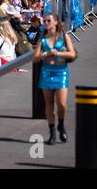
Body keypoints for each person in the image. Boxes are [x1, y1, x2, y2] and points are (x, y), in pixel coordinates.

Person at [33, 14, 76, 145]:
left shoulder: (64, 37)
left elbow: (72, 54)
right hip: (46, 72)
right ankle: (52, 132)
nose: (46, 23)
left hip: (61, 72)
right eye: (44, 21)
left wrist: (57, 53)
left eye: (48, 20)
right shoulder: (43, 40)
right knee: (49, 104)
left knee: (62, 104)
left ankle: (61, 124)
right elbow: (35, 58)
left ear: (55, 22)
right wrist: (45, 54)